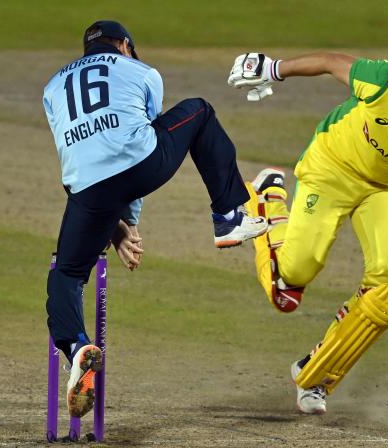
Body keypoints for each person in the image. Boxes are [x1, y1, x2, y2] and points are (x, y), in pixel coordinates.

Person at [227, 41, 388, 414]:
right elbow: (329, 61)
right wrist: (274, 68)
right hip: (331, 168)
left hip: (387, 188)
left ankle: (317, 374)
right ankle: (266, 199)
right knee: (291, 278)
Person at [42, 20, 267, 418]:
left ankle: (76, 348)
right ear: (125, 45)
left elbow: (83, 154)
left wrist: (117, 230)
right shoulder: (142, 72)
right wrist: (133, 223)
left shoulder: (52, 89)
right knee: (199, 111)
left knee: (67, 273)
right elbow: (138, 137)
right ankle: (228, 215)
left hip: (84, 185)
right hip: (138, 164)